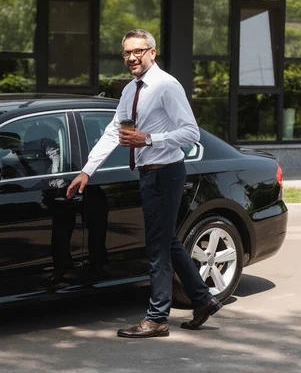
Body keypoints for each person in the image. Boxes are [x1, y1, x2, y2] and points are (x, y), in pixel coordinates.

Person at [66, 29, 222, 338]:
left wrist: (147, 139)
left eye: (138, 51)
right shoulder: (129, 91)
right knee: (168, 242)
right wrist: (87, 170)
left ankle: (157, 318)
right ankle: (203, 299)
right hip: (149, 174)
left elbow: (191, 132)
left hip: (166, 171)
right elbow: (114, 131)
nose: (132, 57)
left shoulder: (166, 86)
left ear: (152, 52)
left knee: (157, 247)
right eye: (126, 53)